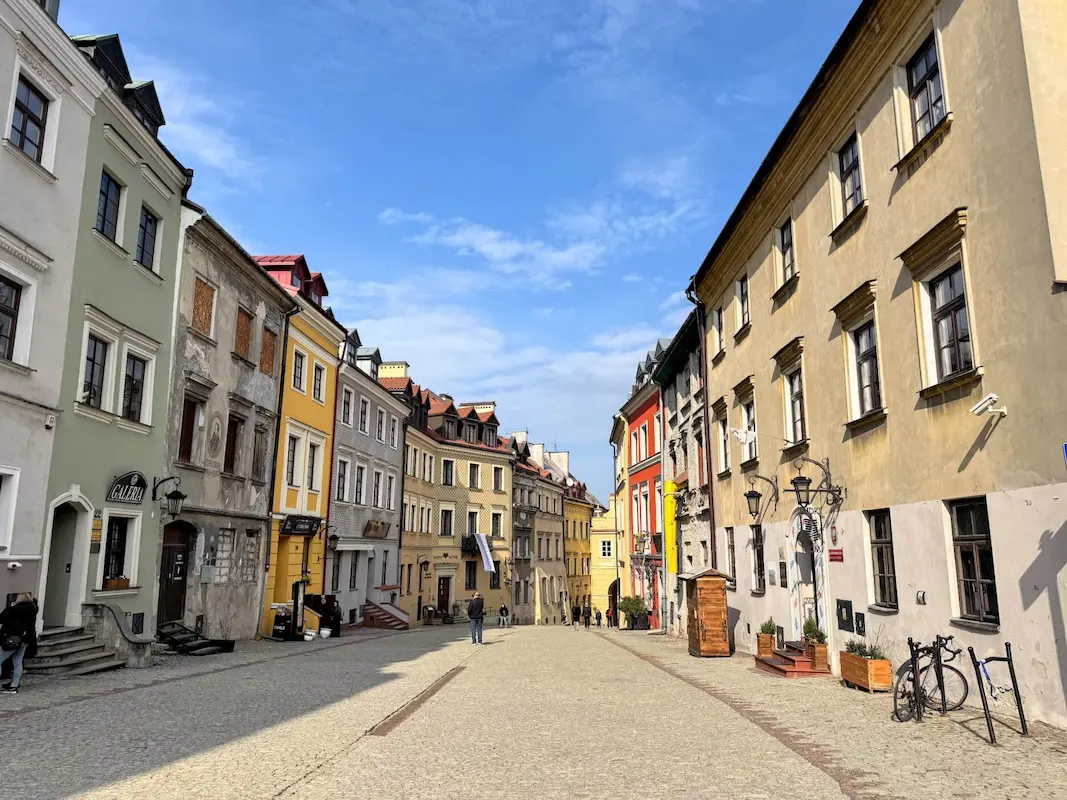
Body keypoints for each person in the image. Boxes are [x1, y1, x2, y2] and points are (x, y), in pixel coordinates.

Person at [0, 592, 38, 694]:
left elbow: (2, 618)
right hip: (25, 639)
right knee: (17, 663)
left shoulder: (16, 609)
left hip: (13, 638)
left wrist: (11, 607)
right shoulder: (32, 609)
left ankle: (12, 686)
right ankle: (14, 685)